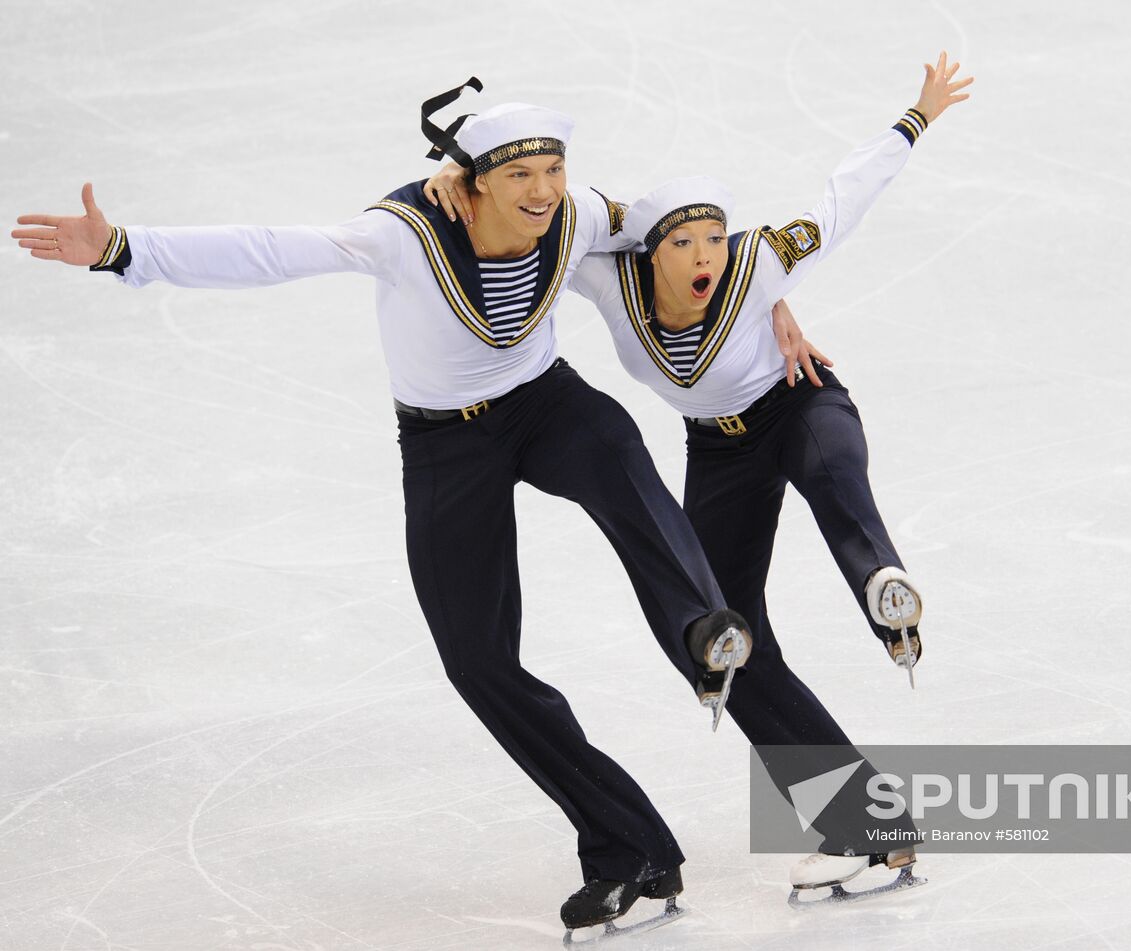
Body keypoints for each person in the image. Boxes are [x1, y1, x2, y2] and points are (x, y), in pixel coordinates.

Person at [10, 90, 758, 932]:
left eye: (553, 170)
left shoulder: (579, 214)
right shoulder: (406, 235)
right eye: (519, 174)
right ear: (471, 182)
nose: (544, 190)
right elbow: (272, 250)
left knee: (623, 463)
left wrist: (775, 305)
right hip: (446, 447)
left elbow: (687, 236)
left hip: (548, 407)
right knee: (477, 662)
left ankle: (712, 640)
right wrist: (121, 248)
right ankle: (632, 846)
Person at [427, 51, 973, 898]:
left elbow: (842, 198)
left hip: (799, 403)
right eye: (681, 240)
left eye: (714, 236)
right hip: (716, 451)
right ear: (649, 254)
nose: (704, 253)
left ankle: (880, 582)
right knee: (726, 639)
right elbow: (536, 212)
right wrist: (455, 178)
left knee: (840, 489)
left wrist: (917, 117)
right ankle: (868, 825)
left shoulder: (759, 260)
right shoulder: (608, 277)